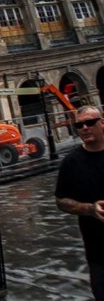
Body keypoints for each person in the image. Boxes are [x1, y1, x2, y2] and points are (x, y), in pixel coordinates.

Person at [56, 105, 104, 299]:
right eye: (79, 125)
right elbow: (61, 200)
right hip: (99, 250)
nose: (84, 128)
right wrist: (90, 209)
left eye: (90, 122)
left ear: (102, 123)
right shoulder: (72, 162)